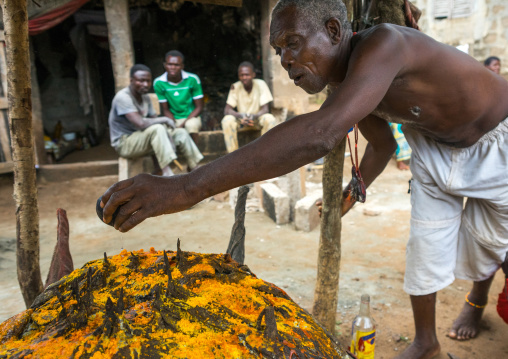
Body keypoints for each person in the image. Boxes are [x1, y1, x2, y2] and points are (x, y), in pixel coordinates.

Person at [100, 1, 508, 358]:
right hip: (435, 148)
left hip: (498, 140)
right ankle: (425, 342)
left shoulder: (387, 44)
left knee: (499, 240)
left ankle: (477, 301)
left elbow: (320, 133)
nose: (285, 61)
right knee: (425, 246)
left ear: (333, 31)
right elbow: (381, 145)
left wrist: (189, 186)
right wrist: (355, 189)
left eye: (292, 43)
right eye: (278, 51)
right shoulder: (347, 81)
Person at [109, 64, 203, 177]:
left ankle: (196, 169)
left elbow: (154, 119)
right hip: (125, 143)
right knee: (157, 129)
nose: (145, 84)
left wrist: (167, 134)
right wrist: (165, 120)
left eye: (148, 81)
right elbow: (140, 123)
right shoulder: (123, 97)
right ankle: (167, 173)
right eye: (141, 81)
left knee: (180, 133)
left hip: (144, 139)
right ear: (131, 80)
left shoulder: (145, 97)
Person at [221, 61, 279, 153]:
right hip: (242, 121)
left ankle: (266, 152)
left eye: (247, 75)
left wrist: (253, 117)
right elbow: (227, 110)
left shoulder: (261, 84)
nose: (244, 77)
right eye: (241, 75)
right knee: (227, 120)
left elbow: (265, 109)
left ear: (253, 75)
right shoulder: (235, 86)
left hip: (256, 120)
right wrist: (241, 116)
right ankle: (232, 155)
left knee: (270, 118)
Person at [154, 50, 204, 144]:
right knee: (164, 131)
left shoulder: (192, 79)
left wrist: (183, 124)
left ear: (182, 66)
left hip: (191, 117)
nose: (173, 67)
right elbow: (165, 109)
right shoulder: (159, 83)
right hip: (173, 117)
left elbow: (199, 107)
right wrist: (173, 123)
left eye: (176, 65)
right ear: (165, 65)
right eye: (169, 64)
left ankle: (195, 156)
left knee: (191, 126)